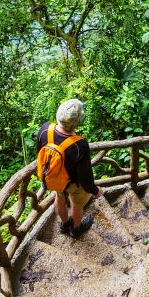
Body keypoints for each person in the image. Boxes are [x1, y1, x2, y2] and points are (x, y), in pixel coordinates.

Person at [35, 98, 102, 238]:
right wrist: (94, 190)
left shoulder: (45, 129)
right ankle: (76, 229)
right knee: (77, 204)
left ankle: (65, 224)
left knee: (59, 197)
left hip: (55, 178)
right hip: (73, 183)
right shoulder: (79, 145)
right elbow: (85, 176)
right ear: (78, 121)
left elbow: (40, 154)